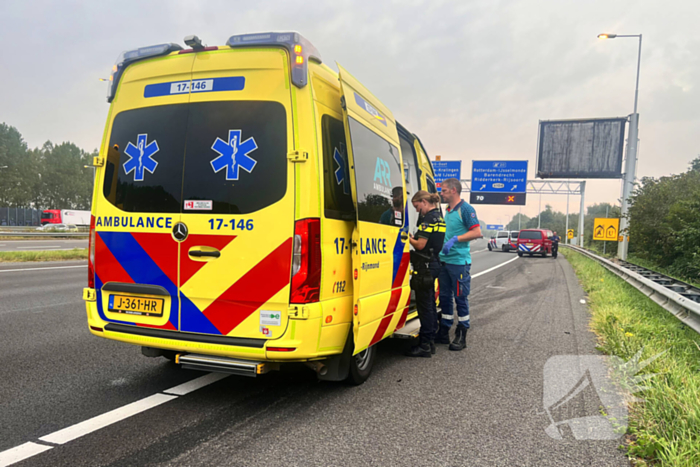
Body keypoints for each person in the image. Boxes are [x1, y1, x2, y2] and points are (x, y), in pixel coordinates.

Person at [436, 178, 482, 351]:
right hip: (445, 260)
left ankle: (461, 334)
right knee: (445, 298)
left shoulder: (466, 209)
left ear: (454, 190)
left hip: (459, 263)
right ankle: (444, 331)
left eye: (444, 191)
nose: (442, 193)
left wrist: (456, 239)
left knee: (460, 298)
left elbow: (477, 232)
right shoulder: (447, 210)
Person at [405, 190, 445, 358]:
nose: (416, 211)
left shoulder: (428, 219)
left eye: (417, 206)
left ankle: (425, 346)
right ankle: (430, 343)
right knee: (429, 303)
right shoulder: (439, 217)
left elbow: (420, 245)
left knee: (425, 307)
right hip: (433, 262)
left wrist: (407, 237)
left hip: (425, 266)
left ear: (424, 202)